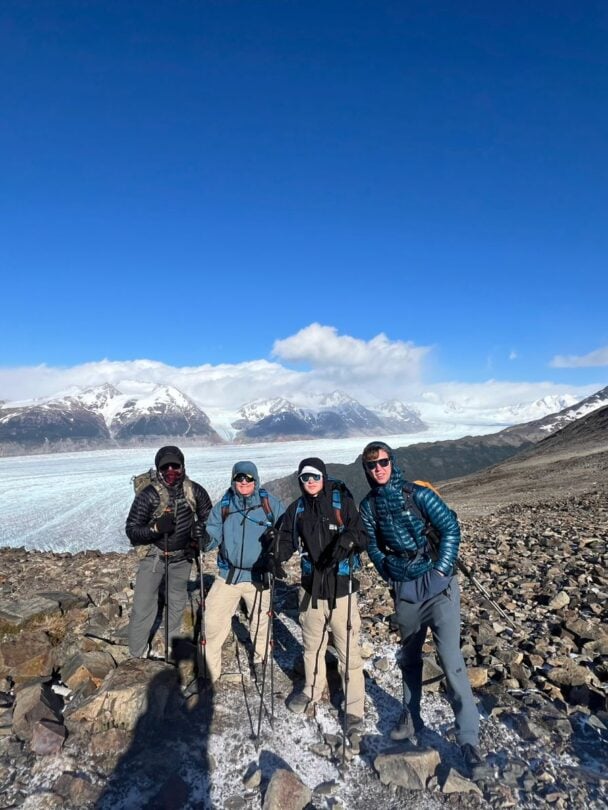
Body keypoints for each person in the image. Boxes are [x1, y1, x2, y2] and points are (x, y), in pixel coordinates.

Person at [358, 441, 482, 774]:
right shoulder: (369, 507)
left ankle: (468, 738)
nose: (378, 469)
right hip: (406, 589)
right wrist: (390, 571)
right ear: (366, 470)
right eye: (371, 465)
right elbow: (372, 544)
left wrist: (441, 568)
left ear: (391, 462)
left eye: (383, 462)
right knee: (410, 657)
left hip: (437, 585)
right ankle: (411, 717)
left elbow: (450, 528)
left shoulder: (418, 495)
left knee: (451, 659)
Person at [276, 457, 369, 734]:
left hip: (342, 588)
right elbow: (284, 540)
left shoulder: (342, 502)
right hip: (310, 589)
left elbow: (362, 534)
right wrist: (274, 555)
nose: (310, 482)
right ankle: (311, 691)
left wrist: (349, 540)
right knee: (311, 646)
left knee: (348, 650)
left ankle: (353, 709)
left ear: (324, 477)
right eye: (305, 478)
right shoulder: (298, 509)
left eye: (315, 476)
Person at [126, 446, 212, 661]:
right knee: (143, 605)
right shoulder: (149, 496)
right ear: (158, 469)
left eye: (176, 466)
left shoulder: (195, 491)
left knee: (176, 603)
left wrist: (199, 533)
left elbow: (210, 520)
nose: (171, 470)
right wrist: (155, 529)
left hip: (182, 559)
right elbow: (132, 530)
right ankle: (137, 655)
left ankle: (171, 650)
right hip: (154, 558)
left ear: (183, 466)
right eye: (166, 467)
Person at [203, 461, 285, 683]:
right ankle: (210, 673)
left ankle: (260, 661)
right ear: (233, 480)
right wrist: (203, 540)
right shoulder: (224, 505)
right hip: (229, 574)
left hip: (259, 575)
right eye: (240, 478)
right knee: (212, 621)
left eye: (249, 478)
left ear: (255, 480)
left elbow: (286, 531)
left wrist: (276, 548)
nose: (244, 482)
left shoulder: (269, 504)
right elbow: (212, 535)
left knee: (260, 621)